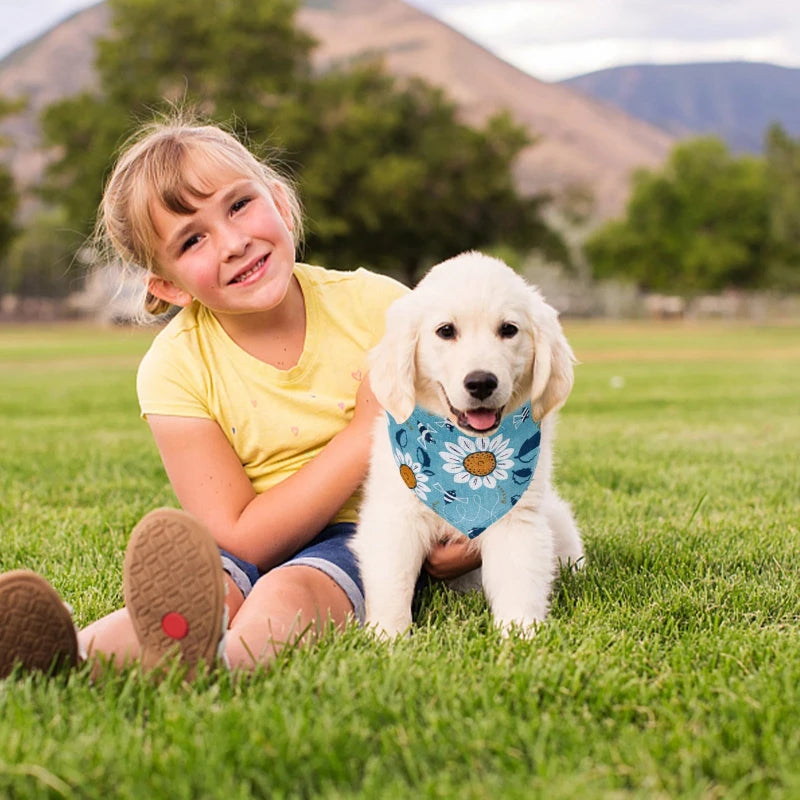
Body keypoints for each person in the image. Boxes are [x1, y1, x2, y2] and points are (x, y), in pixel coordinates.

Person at [0, 117, 482, 678]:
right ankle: (67, 655)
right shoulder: (175, 368)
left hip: (369, 528)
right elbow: (241, 536)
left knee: (291, 586)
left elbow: (476, 428)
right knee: (206, 587)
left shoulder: (381, 308)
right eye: (192, 240)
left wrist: (470, 526)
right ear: (170, 286)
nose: (233, 242)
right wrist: (363, 435)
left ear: (279, 200)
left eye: (238, 206)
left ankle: (226, 662)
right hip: (249, 540)